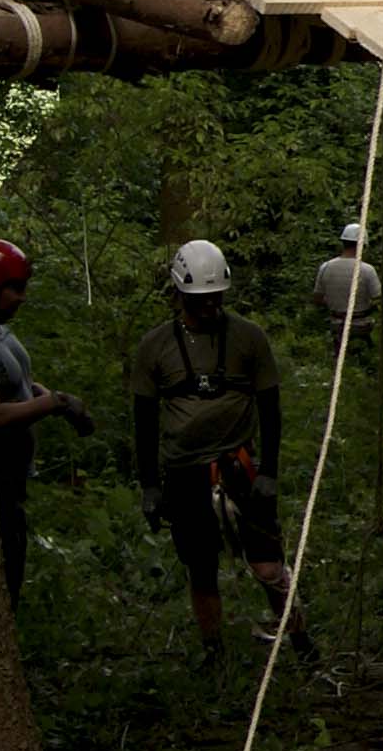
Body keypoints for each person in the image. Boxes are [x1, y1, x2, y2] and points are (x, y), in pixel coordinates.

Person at [126, 237, 302, 658]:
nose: (209, 307)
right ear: (178, 293)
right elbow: (144, 420)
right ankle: (213, 650)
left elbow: (270, 406)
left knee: (267, 564)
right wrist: (150, 485)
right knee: (200, 566)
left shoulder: (248, 338)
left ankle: (299, 639)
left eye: (215, 298)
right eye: (199, 299)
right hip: (184, 471)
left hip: (239, 465)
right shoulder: (156, 346)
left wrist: (270, 471)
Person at [0, 237, 91, 602]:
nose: (22, 297)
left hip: (14, 478)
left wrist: (53, 399)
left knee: (14, 561)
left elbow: (16, 382)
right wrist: (53, 403)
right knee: (2, 573)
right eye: (15, 289)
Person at [313, 221, 383, 330]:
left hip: (335, 322)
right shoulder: (367, 270)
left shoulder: (325, 267)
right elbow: (378, 298)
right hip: (361, 323)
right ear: (362, 245)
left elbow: (317, 298)